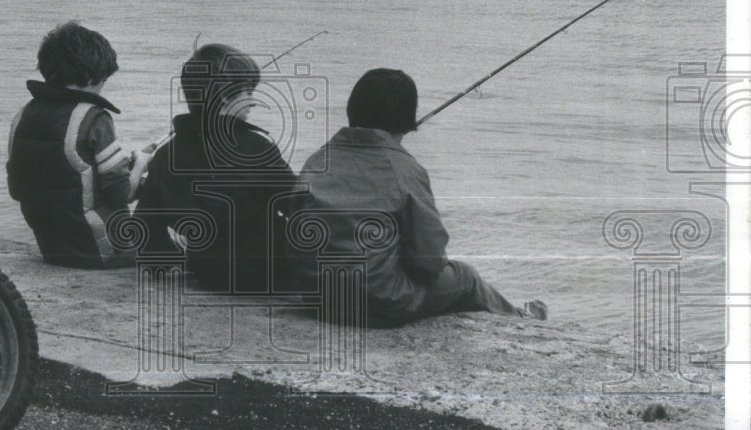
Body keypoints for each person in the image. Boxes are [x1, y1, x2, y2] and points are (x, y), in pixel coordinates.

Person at [288, 68, 547, 327]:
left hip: (318, 298)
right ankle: (521, 319)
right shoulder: (405, 169)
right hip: (379, 303)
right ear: (407, 120)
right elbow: (430, 260)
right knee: (466, 277)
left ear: (352, 107)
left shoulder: (318, 160)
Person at [134, 43, 299, 292]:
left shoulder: (167, 155)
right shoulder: (256, 148)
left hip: (211, 273)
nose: (253, 102)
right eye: (248, 93)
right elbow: (296, 203)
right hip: (272, 271)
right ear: (225, 97)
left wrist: (163, 261)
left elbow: (147, 223)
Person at [7, 21, 149, 268]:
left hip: (53, 248)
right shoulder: (94, 117)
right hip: (104, 250)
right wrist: (142, 164)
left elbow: (17, 188)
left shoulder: (23, 115)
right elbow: (121, 193)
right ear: (92, 77)